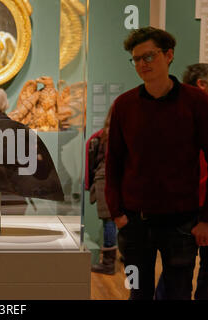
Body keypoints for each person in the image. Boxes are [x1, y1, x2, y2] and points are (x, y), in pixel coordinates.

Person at [105, 27, 208, 300]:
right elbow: (113, 161)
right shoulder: (124, 105)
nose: (141, 64)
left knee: (178, 293)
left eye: (148, 57)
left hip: (181, 223)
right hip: (134, 224)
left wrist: (205, 219)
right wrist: (117, 214)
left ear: (169, 55)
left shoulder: (196, 102)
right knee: (137, 292)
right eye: (136, 59)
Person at [155, 63, 208, 300]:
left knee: (174, 274)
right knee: (177, 275)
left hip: (185, 207)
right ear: (202, 84)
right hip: (190, 207)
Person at [85, 106, 117, 275]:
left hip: (104, 179)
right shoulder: (122, 135)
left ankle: (108, 263)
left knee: (109, 221)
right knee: (119, 220)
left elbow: (93, 162)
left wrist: (89, 182)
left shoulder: (102, 136)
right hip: (119, 180)